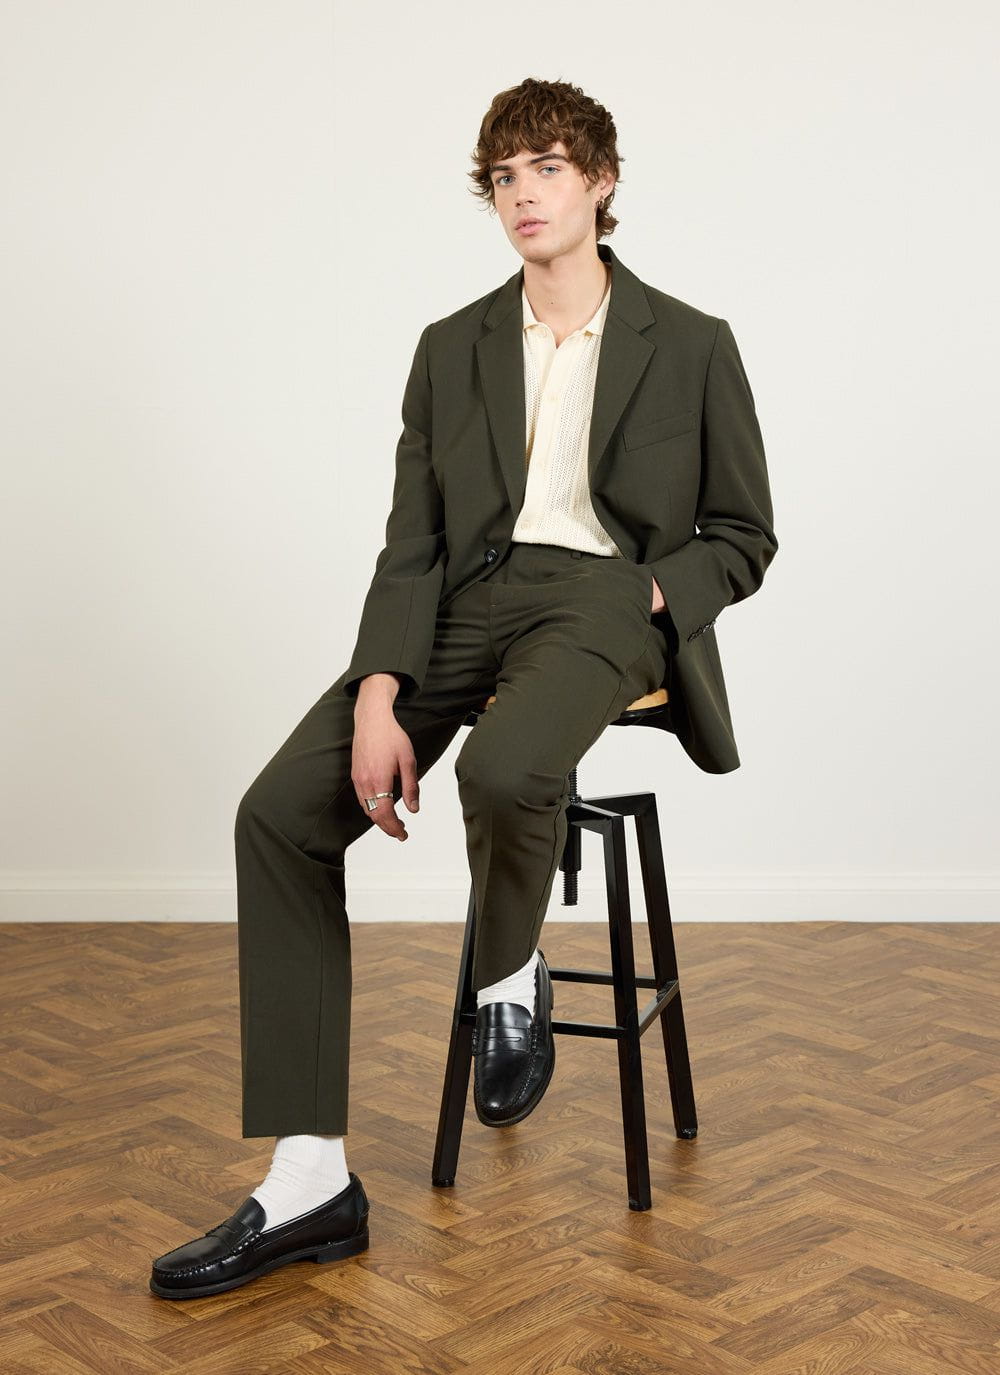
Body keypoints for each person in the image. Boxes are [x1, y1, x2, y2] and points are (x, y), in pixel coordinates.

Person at [149, 76, 777, 1299]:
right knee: (278, 813)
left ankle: (508, 972)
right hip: (457, 608)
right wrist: (382, 687)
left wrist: (651, 598)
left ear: (599, 182)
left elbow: (742, 534)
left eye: (546, 167)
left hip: (605, 600)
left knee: (503, 766)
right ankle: (310, 1175)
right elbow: (411, 544)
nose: (523, 194)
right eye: (503, 176)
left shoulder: (693, 343)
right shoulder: (450, 349)